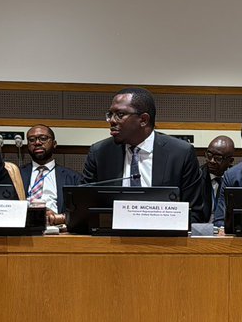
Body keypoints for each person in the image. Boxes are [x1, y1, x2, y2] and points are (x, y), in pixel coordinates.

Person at [82, 87, 207, 222]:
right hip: (111, 237)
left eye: (119, 114)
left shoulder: (180, 153)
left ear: (143, 119)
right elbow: (83, 207)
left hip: (165, 238)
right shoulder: (100, 153)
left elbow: (194, 213)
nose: (112, 120)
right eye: (110, 114)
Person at [21, 124, 82, 226]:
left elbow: (81, 212)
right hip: (23, 228)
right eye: (31, 140)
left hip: (58, 229)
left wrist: (59, 218)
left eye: (43, 138)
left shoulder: (73, 178)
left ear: (54, 144)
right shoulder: (16, 175)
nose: (37, 143)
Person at [200, 135, 235, 223]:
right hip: (201, 229)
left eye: (218, 158)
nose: (211, 161)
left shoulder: (237, 179)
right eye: (209, 155)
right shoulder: (196, 176)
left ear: (230, 161)